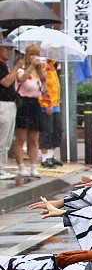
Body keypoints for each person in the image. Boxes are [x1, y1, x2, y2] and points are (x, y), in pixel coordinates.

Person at [14, 44, 47, 177]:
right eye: (32, 54)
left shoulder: (39, 73)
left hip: (35, 104)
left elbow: (44, 91)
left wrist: (43, 78)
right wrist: (32, 66)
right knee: (21, 138)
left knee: (34, 139)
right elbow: (21, 79)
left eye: (37, 54)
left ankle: (34, 166)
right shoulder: (22, 70)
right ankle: (21, 166)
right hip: (24, 104)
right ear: (27, 56)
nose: (34, 57)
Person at [0, 38, 20, 180]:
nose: (9, 51)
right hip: (3, 105)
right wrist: (17, 67)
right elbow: (6, 82)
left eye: (11, 49)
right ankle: (0, 169)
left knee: (6, 140)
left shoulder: (5, 65)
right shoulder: (1, 66)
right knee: (3, 139)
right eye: (6, 48)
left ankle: (2, 167)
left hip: (9, 104)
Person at [39, 59, 63, 168]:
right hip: (46, 105)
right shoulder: (44, 67)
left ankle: (51, 155)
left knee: (57, 130)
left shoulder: (53, 67)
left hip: (56, 103)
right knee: (47, 130)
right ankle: (44, 157)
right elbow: (45, 87)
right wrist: (48, 103)